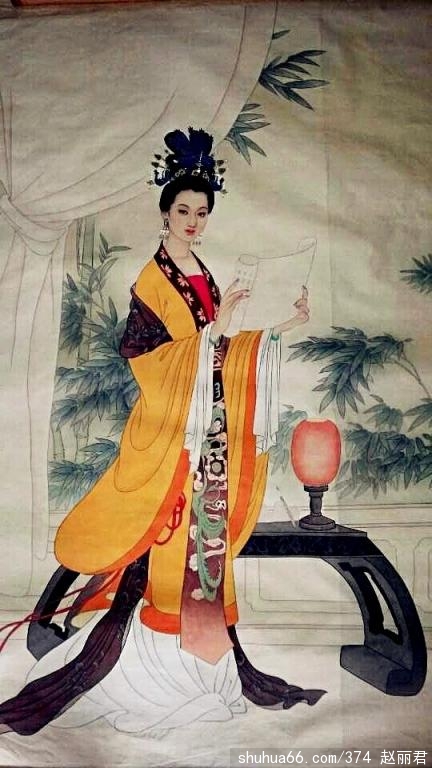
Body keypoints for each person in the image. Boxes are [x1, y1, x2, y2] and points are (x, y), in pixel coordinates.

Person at [0, 127, 325, 736]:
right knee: (171, 545)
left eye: (202, 212)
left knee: (205, 547)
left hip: (209, 427)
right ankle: (152, 671)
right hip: (173, 431)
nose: (193, 222)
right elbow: (147, 362)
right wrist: (212, 334)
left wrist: (284, 325)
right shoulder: (152, 281)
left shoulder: (203, 271)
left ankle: (209, 666)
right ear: (164, 213)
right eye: (183, 211)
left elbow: (223, 347)